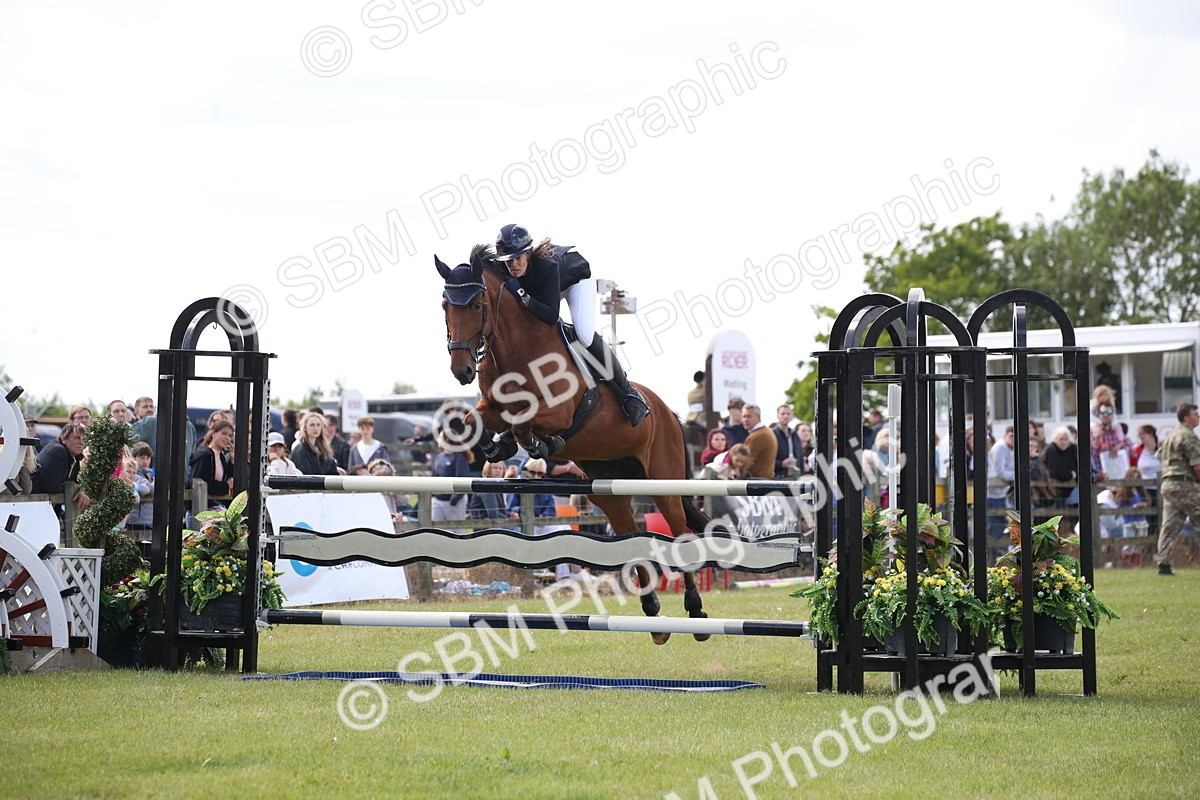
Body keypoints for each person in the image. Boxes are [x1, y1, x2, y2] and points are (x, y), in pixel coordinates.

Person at [494, 223, 648, 426]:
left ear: (528, 254)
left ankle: (629, 393)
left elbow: (550, 315)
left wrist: (522, 294)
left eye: (517, 258)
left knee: (583, 335)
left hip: (574, 283)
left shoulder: (546, 266)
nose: (513, 265)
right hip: (544, 291)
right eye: (508, 261)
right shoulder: (505, 269)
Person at [1155, 402, 1200, 576]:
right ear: (1186, 417)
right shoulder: (1188, 436)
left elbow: (1159, 455)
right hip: (1184, 484)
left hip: (1168, 484)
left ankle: (1164, 565)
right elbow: (1197, 466)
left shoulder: (1170, 435)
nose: (1198, 417)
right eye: (1195, 414)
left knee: (1169, 526)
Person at [33, 422, 89, 511]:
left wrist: (81, 490)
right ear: (63, 438)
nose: (81, 442)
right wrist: (75, 490)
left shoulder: (74, 456)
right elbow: (52, 487)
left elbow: (77, 481)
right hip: (34, 505)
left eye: (84, 439)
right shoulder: (57, 451)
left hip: (48, 506)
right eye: (76, 438)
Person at [189, 419, 235, 504]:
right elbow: (201, 483)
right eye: (224, 433)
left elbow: (228, 479)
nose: (227, 438)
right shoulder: (204, 454)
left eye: (230, 435)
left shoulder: (220, 456)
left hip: (214, 506)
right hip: (200, 509)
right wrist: (226, 486)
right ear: (213, 433)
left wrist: (232, 459)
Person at [1090, 400, 1135, 482]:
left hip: (1119, 479)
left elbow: (1133, 453)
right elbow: (1089, 454)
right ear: (1098, 414)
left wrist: (1120, 446)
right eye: (1102, 412)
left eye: (1109, 412)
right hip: (1100, 479)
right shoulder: (1093, 431)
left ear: (1113, 414)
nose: (1105, 415)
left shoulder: (1118, 431)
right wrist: (1098, 438)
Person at [987, 426, 1017, 545]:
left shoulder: (1010, 449)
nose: (1013, 439)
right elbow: (1000, 472)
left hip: (1001, 494)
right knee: (994, 528)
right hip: (992, 495)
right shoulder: (1000, 448)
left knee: (1001, 527)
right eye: (1011, 436)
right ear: (1005, 435)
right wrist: (1017, 475)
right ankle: (992, 557)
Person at [431, 432, 470, 521]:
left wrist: (454, 499)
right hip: (437, 500)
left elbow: (462, 478)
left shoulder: (459, 458)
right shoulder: (438, 457)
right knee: (436, 530)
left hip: (453, 502)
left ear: (447, 440)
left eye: (440, 438)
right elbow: (433, 477)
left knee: (455, 531)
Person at [291, 411, 340, 476]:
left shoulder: (325, 449)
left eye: (318, 425)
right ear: (305, 428)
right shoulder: (299, 450)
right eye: (312, 425)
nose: (315, 428)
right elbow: (304, 474)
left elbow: (333, 472)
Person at [125, 441, 156, 534]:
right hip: (137, 519)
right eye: (142, 458)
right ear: (134, 458)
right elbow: (151, 490)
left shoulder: (148, 473)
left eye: (148, 458)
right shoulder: (135, 474)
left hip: (147, 519)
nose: (145, 461)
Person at [741, 403, 778, 479]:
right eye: (744, 416)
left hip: (758, 480)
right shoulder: (767, 431)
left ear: (758, 417)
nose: (745, 420)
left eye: (749, 416)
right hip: (767, 479)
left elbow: (745, 461)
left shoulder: (757, 435)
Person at [771, 404, 803, 479]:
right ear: (777, 416)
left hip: (795, 476)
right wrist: (781, 464)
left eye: (788, 414)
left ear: (792, 416)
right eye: (783, 414)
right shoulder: (772, 433)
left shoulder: (794, 434)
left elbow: (800, 456)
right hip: (777, 476)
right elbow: (766, 458)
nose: (785, 416)